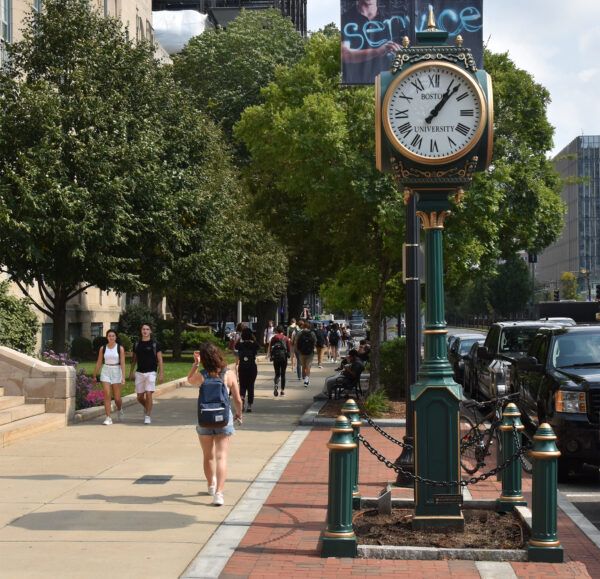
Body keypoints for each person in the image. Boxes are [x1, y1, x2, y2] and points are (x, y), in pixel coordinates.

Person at [187, 342, 243, 506]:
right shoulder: (229, 374)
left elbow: (189, 380)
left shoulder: (202, 375)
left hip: (204, 420)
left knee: (208, 456)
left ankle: (211, 485)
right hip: (224, 420)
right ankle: (219, 493)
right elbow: (238, 399)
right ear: (218, 355)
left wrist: (195, 364)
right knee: (221, 456)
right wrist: (239, 415)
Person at [341, 0, 406, 85]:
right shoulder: (344, 20)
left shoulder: (394, 21)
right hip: (356, 88)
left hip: (386, 86)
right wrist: (377, 51)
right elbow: (344, 54)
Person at [128, 322, 164, 424]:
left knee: (148, 393)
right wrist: (131, 372)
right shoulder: (136, 344)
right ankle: (146, 406)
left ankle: (147, 416)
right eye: (143, 329)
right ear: (141, 331)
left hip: (151, 372)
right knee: (139, 397)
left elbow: (160, 360)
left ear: (150, 331)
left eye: (147, 329)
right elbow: (134, 359)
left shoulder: (155, 344)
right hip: (139, 373)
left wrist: (161, 374)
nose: (145, 331)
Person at [92, 329, 126, 425]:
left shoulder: (120, 348)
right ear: (107, 337)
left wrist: (123, 377)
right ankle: (108, 417)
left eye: (113, 336)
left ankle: (119, 409)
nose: (111, 337)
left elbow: (123, 363)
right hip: (106, 370)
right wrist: (94, 374)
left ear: (116, 337)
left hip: (116, 371)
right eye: (109, 336)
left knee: (117, 398)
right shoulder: (103, 348)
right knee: (107, 394)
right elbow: (99, 362)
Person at [234, 327, 259, 412]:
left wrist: (240, 337)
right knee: (250, 386)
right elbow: (258, 346)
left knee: (243, 385)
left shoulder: (240, 345)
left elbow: (235, 345)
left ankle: (242, 399)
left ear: (242, 335)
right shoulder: (253, 345)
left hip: (242, 367)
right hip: (252, 367)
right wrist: (253, 337)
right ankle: (249, 406)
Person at [266, 324, 291, 397]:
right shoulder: (286, 338)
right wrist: (289, 355)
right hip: (283, 358)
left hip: (276, 357)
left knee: (277, 374)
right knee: (283, 374)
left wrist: (270, 355)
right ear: (283, 330)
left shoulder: (274, 338)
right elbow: (289, 349)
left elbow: (270, 347)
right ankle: (282, 391)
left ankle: (276, 384)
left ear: (276, 330)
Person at [295, 320, 317, 387]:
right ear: (309, 327)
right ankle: (306, 380)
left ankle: (304, 377)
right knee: (308, 365)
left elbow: (295, 342)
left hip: (301, 352)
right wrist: (313, 348)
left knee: (303, 366)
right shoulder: (312, 333)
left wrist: (297, 350)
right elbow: (315, 341)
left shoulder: (300, 333)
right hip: (310, 352)